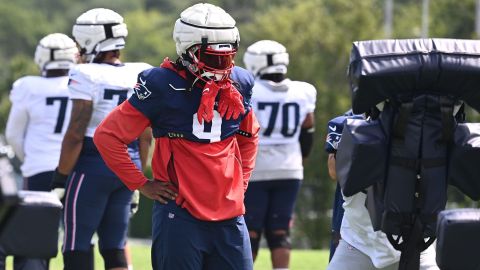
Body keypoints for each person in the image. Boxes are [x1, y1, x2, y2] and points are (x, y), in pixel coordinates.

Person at [93, 3, 260, 270]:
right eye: (214, 58)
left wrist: (242, 183)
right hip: (181, 215)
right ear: (188, 50)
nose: (223, 66)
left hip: (230, 215)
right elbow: (107, 136)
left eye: (228, 57)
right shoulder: (162, 84)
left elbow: (249, 136)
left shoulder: (239, 83)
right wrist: (140, 183)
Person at [50, 8, 152, 270]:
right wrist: (138, 175)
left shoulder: (85, 74)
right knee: (115, 246)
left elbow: (75, 134)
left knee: (76, 244)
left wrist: (60, 177)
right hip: (128, 165)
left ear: (88, 39)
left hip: (92, 166)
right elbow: (146, 135)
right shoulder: (141, 73)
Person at [325, 113, 439, 270]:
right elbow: (334, 171)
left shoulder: (423, 129)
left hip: (414, 242)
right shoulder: (350, 125)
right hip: (358, 242)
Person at [3, 32, 78, 270]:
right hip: (77, 170)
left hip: (40, 171)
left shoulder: (28, 86)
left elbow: (14, 134)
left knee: (33, 240)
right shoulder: (86, 83)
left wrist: (30, 160)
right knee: (78, 238)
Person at [242, 40, 316, 269]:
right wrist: (299, 162)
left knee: (250, 231)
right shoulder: (304, 90)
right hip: (290, 169)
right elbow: (308, 129)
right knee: (280, 231)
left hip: (255, 168)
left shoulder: (249, 90)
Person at [324, 110, 362, 261]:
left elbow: (335, 172)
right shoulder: (346, 121)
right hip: (354, 203)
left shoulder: (348, 120)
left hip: (356, 203)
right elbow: (334, 172)